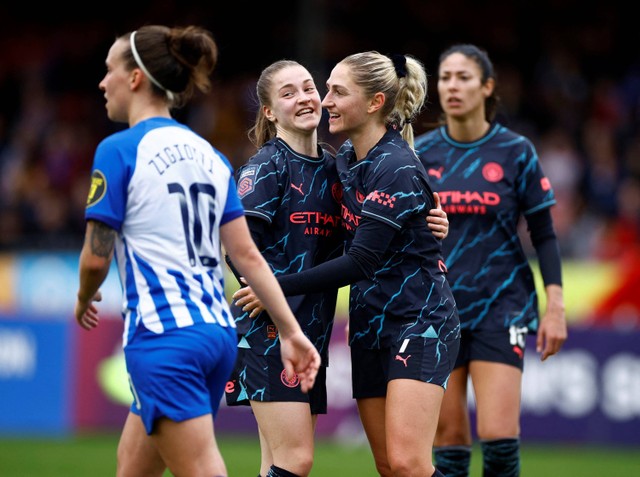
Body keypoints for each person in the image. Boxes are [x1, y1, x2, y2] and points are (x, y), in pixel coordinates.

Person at [73, 25, 320, 477]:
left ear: (135, 79)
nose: (102, 82)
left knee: (202, 468)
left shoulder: (118, 149)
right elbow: (247, 256)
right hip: (217, 337)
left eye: (109, 70)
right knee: (132, 467)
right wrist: (291, 330)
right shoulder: (210, 155)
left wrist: (85, 295)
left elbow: (94, 257)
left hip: (165, 338)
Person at [234, 51, 460, 477]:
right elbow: (240, 243)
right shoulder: (334, 163)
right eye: (325, 90)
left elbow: (361, 259)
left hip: (417, 319)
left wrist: (274, 287)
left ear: (374, 102)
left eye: (334, 91)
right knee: (385, 466)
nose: (323, 100)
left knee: (408, 464)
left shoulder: (385, 164)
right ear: (268, 110)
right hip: (359, 324)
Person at [414, 43, 568, 477]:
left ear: (487, 87)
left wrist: (554, 306)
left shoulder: (516, 151)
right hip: (438, 308)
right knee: (449, 440)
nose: (452, 86)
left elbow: (545, 235)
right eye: (444, 78)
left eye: (463, 77)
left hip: (502, 304)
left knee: (500, 438)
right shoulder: (421, 154)